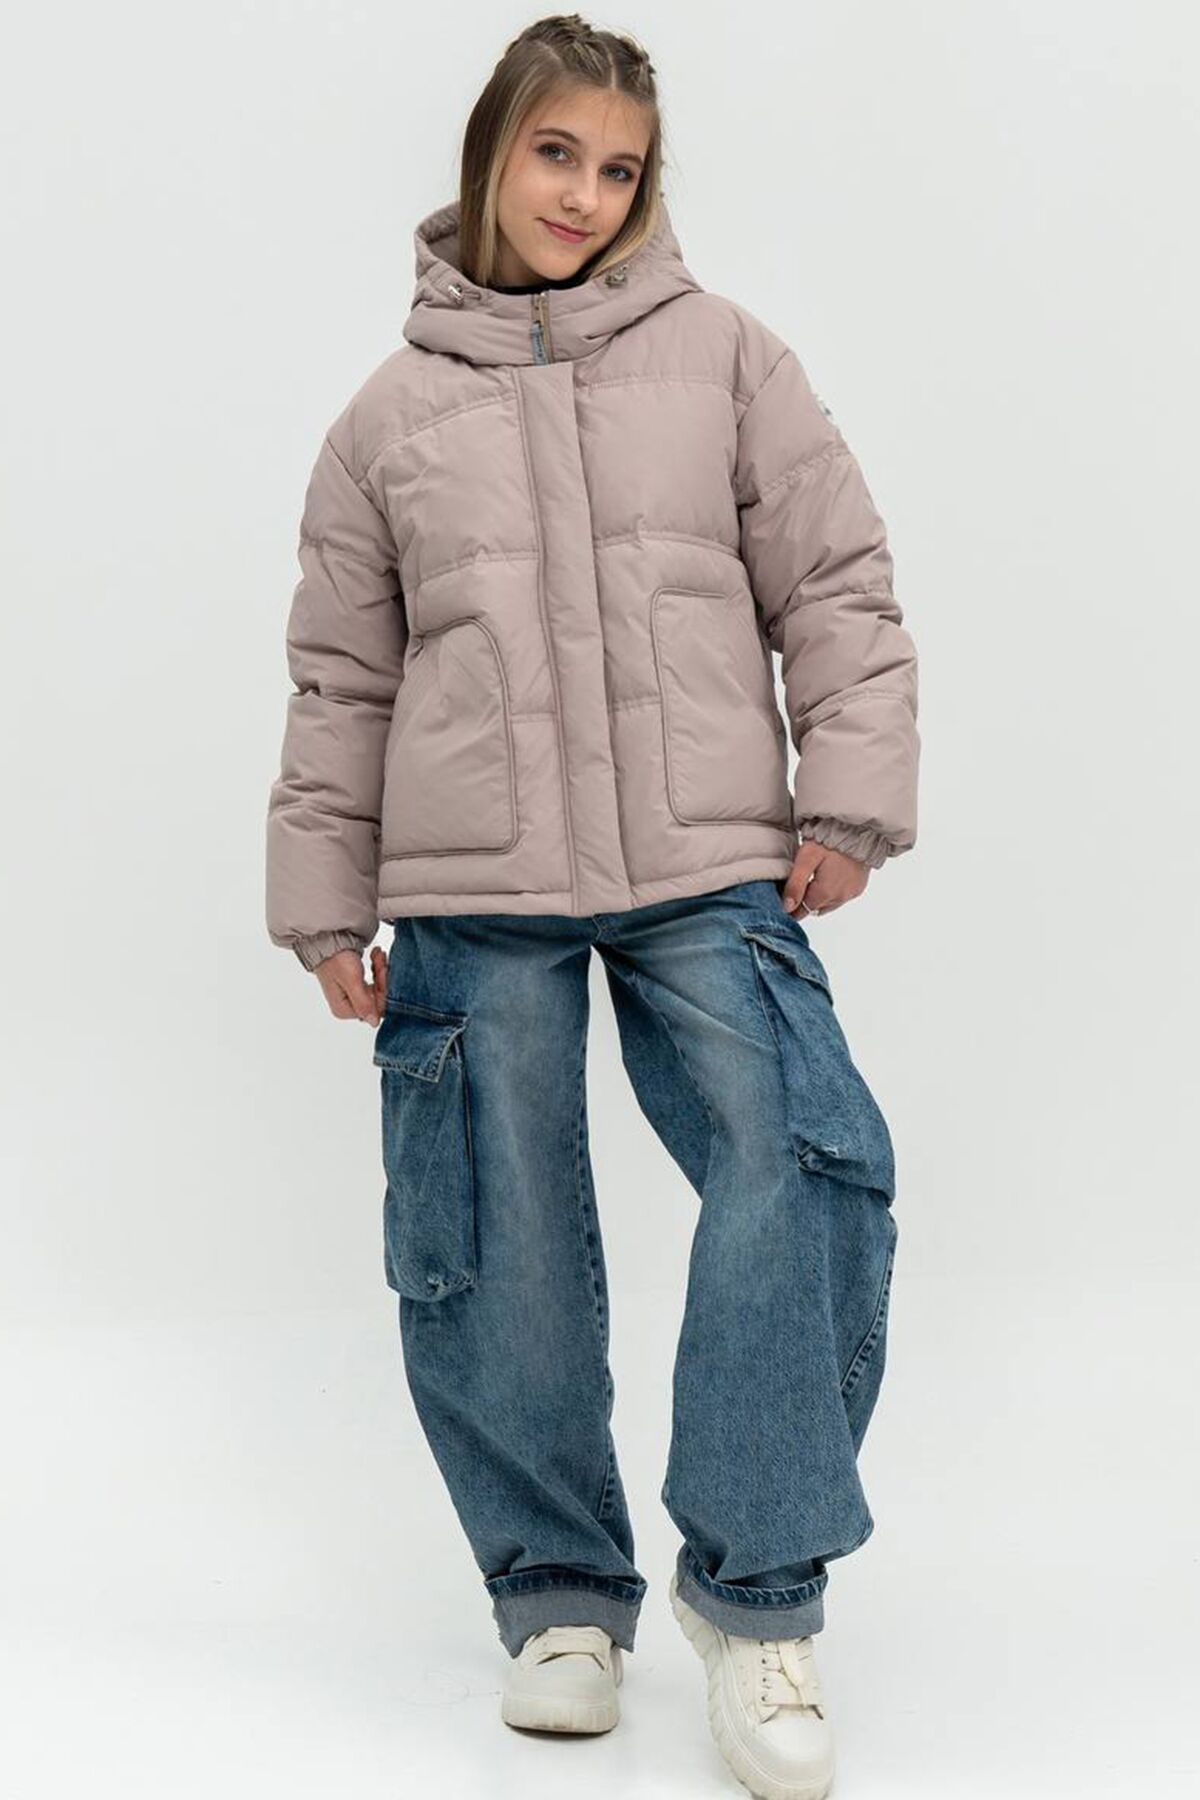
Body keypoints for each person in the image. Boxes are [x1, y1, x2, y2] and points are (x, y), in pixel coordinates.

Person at [264, 14, 918, 1798]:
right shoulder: (384, 420)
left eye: (620, 169)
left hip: (709, 864)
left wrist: (850, 795)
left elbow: (837, 580)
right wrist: (324, 902)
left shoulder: (726, 359)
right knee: (494, 1234)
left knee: (803, 1159)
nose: (584, 195)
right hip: (470, 888)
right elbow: (342, 683)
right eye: (557, 154)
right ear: (493, 151)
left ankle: (757, 1596)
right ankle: (557, 1595)